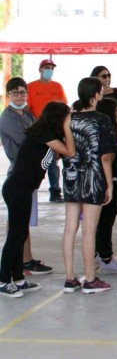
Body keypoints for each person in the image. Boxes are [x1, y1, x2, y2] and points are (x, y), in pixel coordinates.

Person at [0, 102, 74, 298]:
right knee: (15, 236)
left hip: (23, 189)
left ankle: (18, 279)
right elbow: (70, 151)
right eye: (67, 116)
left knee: (21, 233)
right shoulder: (44, 135)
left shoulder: (45, 135)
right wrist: (66, 127)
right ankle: (3, 280)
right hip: (17, 189)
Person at [62, 77, 115, 294]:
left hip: (71, 176)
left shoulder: (68, 118)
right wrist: (109, 183)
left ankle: (69, 277)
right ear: (95, 94)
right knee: (89, 231)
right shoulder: (101, 119)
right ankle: (90, 279)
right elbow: (105, 156)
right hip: (93, 178)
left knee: (69, 228)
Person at [0, 77, 52, 275]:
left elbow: (37, 134)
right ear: (8, 95)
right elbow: (30, 141)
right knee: (17, 225)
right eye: (15, 93)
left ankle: (26, 260)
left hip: (30, 175)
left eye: (23, 92)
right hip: (18, 175)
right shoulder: (7, 118)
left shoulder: (27, 113)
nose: (20, 96)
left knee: (24, 222)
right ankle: (13, 268)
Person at [27, 59, 68, 202]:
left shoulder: (57, 87)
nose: (49, 70)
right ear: (40, 70)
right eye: (46, 67)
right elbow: (28, 109)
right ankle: (29, 189)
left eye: (51, 68)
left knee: (53, 161)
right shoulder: (31, 87)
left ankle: (55, 191)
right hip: (37, 129)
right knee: (35, 160)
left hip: (53, 129)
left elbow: (63, 107)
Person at [94, 98, 117, 274]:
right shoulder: (110, 133)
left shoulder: (97, 130)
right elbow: (108, 158)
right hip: (110, 178)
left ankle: (98, 252)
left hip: (101, 178)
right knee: (106, 219)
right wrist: (110, 185)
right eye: (115, 110)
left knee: (99, 220)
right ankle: (106, 257)